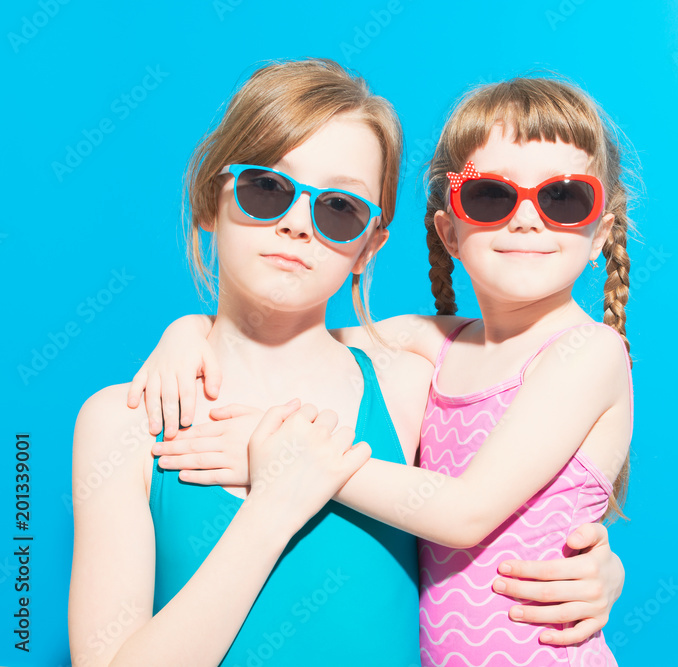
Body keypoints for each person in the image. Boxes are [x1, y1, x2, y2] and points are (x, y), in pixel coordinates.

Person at [70, 58, 623, 667]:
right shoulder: (127, 419)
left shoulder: (408, 382)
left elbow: (486, 509)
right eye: (266, 189)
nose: (297, 226)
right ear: (209, 199)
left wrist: (598, 565)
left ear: (370, 243)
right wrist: (189, 331)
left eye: (338, 209)